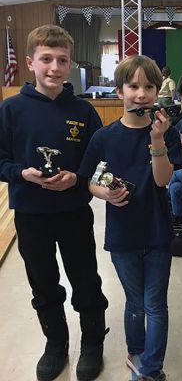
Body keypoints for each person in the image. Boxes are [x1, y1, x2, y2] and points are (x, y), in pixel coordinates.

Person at [0, 25, 108, 381]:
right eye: (46, 59)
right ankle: (56, 343)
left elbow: (98, 161)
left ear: (70, 65)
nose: (54, 67)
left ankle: (92, 343)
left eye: (62, 60)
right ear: (30, 62)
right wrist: (22, 174)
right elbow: (1, 161)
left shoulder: (84, 111)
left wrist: (77, 178)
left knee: (86, 279)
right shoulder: (11, 109)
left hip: (74, 212)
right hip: (31, 215)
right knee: (43, 282)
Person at [78, 55, 182, 381]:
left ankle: (150, 369)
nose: (141, 94)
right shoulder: (104, 138)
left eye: (148, 86)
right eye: (133, 86)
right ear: (120, 89)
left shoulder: (167, 133)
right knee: (135, 303)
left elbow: (164, 180)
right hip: (122, 234)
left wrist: (156, 140)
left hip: (157, 231)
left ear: (158, 91)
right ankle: (136, 351)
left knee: (155, 304)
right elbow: (92, 178)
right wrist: (104, 192)